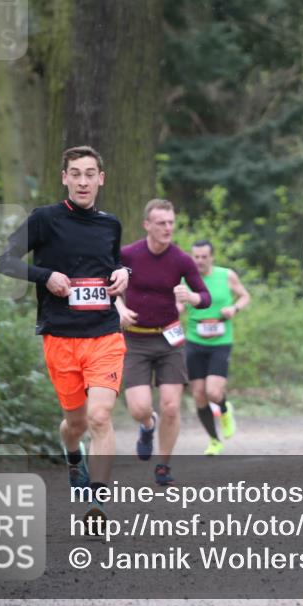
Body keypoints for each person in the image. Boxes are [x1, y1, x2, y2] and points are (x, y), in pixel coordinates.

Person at [0, 145, 129, 524]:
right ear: (64, 178)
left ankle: (97, 503)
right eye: (76, 174)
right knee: (76, 424)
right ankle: (73, 456)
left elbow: (112, 264)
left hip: (104, 334)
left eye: (90, 174)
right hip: (61, 337)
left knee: (100, 417)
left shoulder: (110, 224)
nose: (83, 181)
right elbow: (4, 260)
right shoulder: (44, 219)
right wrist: (46, 276)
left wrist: (124, 273)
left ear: (101, 179)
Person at [116, 199, 210, 486]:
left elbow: (205, 297)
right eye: (161, 223)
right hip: (136, 340)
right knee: (139, 408)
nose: (168, 228)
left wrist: (190, 297)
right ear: (147, 225)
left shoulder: (181, 260)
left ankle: (163, 466)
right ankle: (148, 425)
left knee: (171, 406)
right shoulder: (128, 255)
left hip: (170, 340)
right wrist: (119, 308)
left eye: (171, 223)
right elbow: (107, 286)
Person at [183, 239, 251, 455]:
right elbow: (178, 306)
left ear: (211, 257)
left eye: (204, 256)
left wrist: (234, 308)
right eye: (196, 257)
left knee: (213, 392)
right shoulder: (185, 279)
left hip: (220, 342)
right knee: (199, 395)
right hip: (194, 341)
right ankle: (214, 440)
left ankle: (224, 409)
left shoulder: (226, 275)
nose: (200, 261)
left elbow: (245, 296)